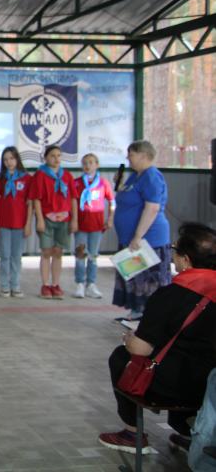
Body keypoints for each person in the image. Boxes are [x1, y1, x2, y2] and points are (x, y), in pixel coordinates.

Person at [99, 223, 216, 455]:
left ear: (185, 259)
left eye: (174, 249)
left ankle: (132, 434)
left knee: (121, 357)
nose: (172, 254)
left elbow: (141, 349)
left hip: (174, 384)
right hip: (211, 386)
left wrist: (129, 339)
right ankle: (190, 435)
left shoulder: (169, 295)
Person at [113, 140, 172, 320]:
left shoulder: (151, 176)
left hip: (149, 239)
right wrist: (119, 185)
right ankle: (137, 310)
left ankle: (150, 315)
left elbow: (152, 208)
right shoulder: (135, 176)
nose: (128, 158)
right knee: (135, 276)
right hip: (130, 238)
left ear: (143, 155)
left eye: (131, 154)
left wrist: (138, 236)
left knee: (149, 279)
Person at [30, 145, 77, 300]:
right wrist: (40, 219)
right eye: (52, 156)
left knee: (58, 252)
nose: (56, 159)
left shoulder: (67, 176)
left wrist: (74, 219)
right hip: (47, 219)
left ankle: (55, 284)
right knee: (46, 251)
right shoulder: (40, 175)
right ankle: (45, 284)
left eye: (59, 155)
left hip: (64, 219)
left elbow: (73, 198)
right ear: (46, 158)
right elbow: (36, 199)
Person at [72, 153, 114, 299]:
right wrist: (74, 221)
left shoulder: (103, 183)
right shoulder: (77, 183)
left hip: (96, 226)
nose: (88, 166)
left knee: (93, 256)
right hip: (81, 226)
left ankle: (91, 284)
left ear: (97, 165)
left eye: (91, 162)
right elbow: (72, 203)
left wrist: (110, 218)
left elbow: (112, 201)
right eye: (85, 163)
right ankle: (79, 283)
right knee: (80, 254)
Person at [0, 147, 32, 298]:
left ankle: (15, 285)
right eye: (5, 159)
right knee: (5, 256)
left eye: (11, 158)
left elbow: (30, 203)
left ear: (17, 159)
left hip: (19, 223)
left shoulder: (26, 179)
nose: (9, 162)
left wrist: (28, 224)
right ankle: (4, 286)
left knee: (16, 256)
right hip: (3, 223)